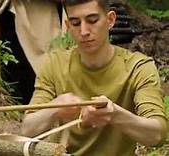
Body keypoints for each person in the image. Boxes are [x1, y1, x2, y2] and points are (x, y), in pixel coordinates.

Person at [21, 0, 167, 155]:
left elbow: (157, 134)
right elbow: (27, 130)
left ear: (110, 20)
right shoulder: (55, 64)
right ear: (68, 26)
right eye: (76, 23)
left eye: (92, 21)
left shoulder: (137, 67)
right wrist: (55, 108)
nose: (84, 31)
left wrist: (115, 115)